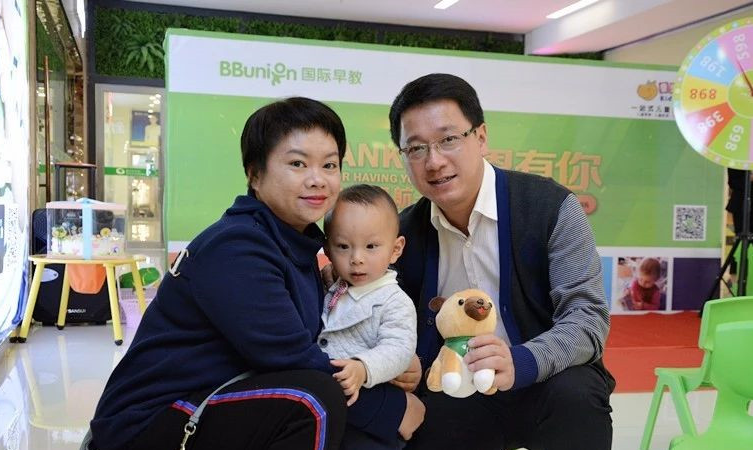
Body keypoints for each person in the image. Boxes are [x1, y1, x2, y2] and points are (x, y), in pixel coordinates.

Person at [86, 97, 393, 450]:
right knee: (315, 399)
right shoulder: (237, 246)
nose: (317, 180)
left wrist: (382, 365)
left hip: (213, 397)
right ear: (255, 175)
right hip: (147, 422)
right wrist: (392, 408)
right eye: (297, 163)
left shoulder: (294, 242)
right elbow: (293, 357)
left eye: (329, 165)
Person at [388, 73, 614, 450]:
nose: (434, 161)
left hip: (545, 378)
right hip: (458, 388)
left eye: (448, 139)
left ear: (480, 137)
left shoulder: (551, 208)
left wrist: (520, 361)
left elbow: (587, 319)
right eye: (416, 148)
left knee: (577, 395)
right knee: (417, 422)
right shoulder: (402, 236)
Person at [321, 183, 423, 446]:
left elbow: (399, 349)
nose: (357, 258)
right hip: (334, 412)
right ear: (328, 250)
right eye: (343, 246)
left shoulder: (394, 301)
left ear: (396, 249)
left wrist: (363, 367)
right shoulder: (332, 288)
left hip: (371, 418)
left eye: (371, 246)